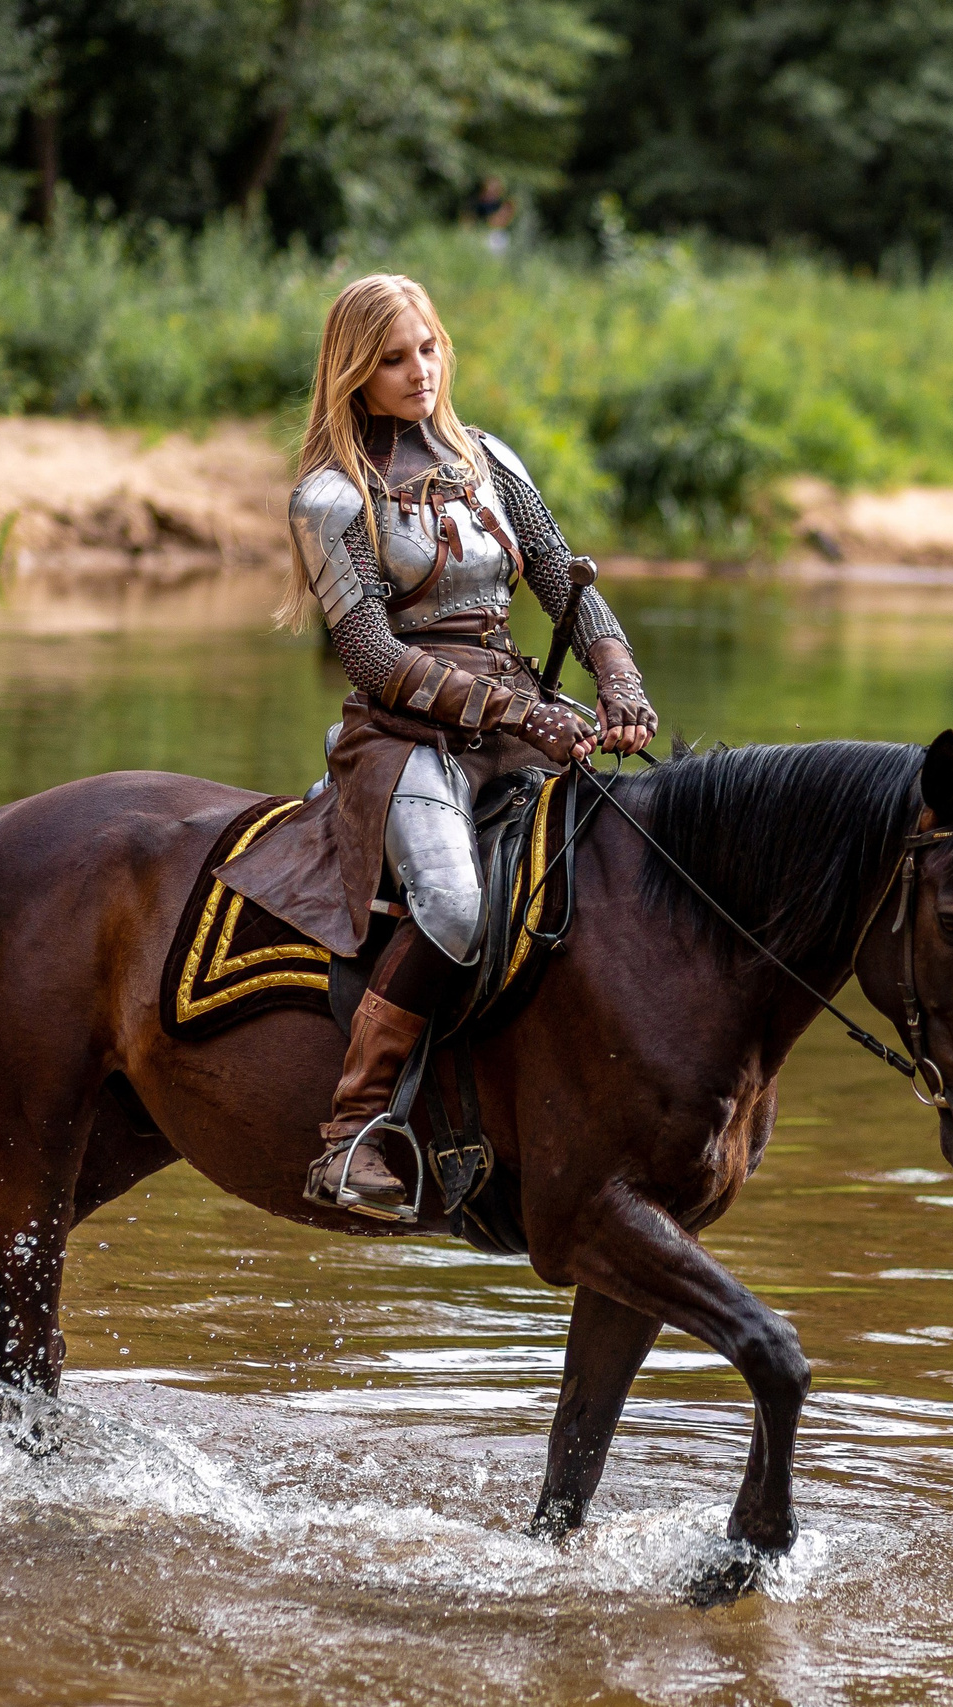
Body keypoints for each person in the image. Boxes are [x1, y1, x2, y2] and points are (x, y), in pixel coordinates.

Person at [282, 273, 656, 1219]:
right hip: (405, 736)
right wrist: (518, 714)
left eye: (428, 349)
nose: (419, 372)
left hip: (517, 712)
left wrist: (619, 680)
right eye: (394, 359)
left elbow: (570, 587)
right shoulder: (332, 497)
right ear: (356, 374)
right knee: (452, 904)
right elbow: (370, 654)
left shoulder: (490, 458)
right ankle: (353, 1126)